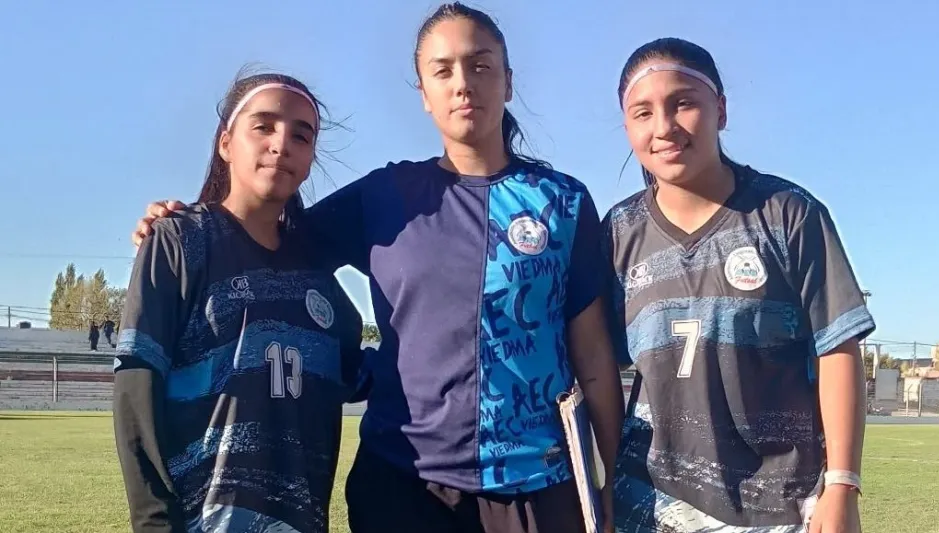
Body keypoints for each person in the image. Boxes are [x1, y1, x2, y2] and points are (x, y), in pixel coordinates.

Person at [131, 4, 625, 532]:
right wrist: (192, 223)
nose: (463, 84)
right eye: (443, 70)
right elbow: (268, 239)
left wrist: (611, 480)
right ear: (423, 94)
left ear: (508, 82)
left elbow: (592, 357)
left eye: (481, 66)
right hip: (402, 485)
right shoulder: (385, 195)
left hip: (537, 487)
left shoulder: (564, 203)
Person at [603, 37, 875, 533]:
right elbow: (597, 368)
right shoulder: (619, 233)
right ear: (627, 127)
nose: (664, 127)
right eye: (642, 112)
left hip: (776, 512)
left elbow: (838, 349)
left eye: (682, 103)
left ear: (721, 110)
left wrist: (842, 485)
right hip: (645, 510)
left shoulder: (788, 214)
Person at [113, 71, 364, 533]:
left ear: (309, 159)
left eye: (301, 135)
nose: (281, 142)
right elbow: (135, 388)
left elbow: (355, 374)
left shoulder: (316, 274)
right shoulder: (179, 241)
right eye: (263, 126)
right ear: (226, 143)